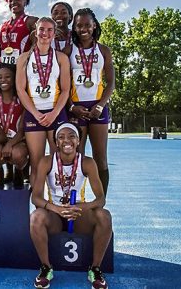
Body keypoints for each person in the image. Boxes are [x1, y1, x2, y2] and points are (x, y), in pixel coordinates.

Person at [30, 123, 112, 289]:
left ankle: (95, 269)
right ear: (56, 143)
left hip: (78, 214)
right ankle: (46, 267)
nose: (66, 140)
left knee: (104, 215)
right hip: (55, 216)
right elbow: (36, 198)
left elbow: (100, 199)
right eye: (61, 137)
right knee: (36, 217)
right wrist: (57, 209)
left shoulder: (87, 163)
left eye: (71, 136)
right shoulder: (46, 161)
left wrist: (82, 207)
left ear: (78, 140)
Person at [65, 8, 115, 196]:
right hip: (76, 108)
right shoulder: (68, 50)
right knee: (76, 158)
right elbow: (61, 82)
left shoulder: (103, 50)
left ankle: (101, 202)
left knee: (100, 158)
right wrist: (71, 106)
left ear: (94, 26)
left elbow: (111, 83)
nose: (83, 28)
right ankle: (75, 202)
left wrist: (100, 105)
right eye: (79, 25)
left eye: (87, 24)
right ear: (74, 28)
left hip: (98, 108)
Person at [16, 17, 71, 187]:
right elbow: (20, 90)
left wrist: (54, 113)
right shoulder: (24, 58)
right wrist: (36, 113)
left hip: (56, 113)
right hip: (35, 115)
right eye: (41, 29)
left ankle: (58, 202)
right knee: (37, 163)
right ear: (35, 32)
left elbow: (66, 90)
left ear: (54, 34)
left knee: (59, 162)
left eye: (49, 30)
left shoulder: (61, 58)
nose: (44, 33)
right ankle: (38, 205)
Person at [0, 64, 28, 189]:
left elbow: (21, 131)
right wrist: (4, 141)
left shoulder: (21, 100)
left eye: (7, 77)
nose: (3, 80)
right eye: (0, 77)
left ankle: (19, 170)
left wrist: (10, 144)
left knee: (17, 154)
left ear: (15, 78)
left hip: (17, 140)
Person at [0, 0, 38, 65]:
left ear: (25, 1)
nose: (13, 2)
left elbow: (39, 44)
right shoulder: (4, 26)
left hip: (23, 68)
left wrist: (26, 59)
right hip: (6, 70)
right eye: (10, 0)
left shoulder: (31, 21)